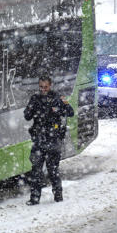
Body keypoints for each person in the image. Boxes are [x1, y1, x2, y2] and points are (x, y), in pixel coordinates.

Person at [23, 75, 74, 205]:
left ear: (50, 85)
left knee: (53, 170)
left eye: (45, 87)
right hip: (39, 139)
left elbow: (70, 112)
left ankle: (58, 196)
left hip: (53, 139)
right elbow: (27, 116)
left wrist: (61, 107)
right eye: (41, 87)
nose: (43, 89)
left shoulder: (57, 98)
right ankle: (34, 198)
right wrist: (31, 109)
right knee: (36, 171)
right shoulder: (35, 99)